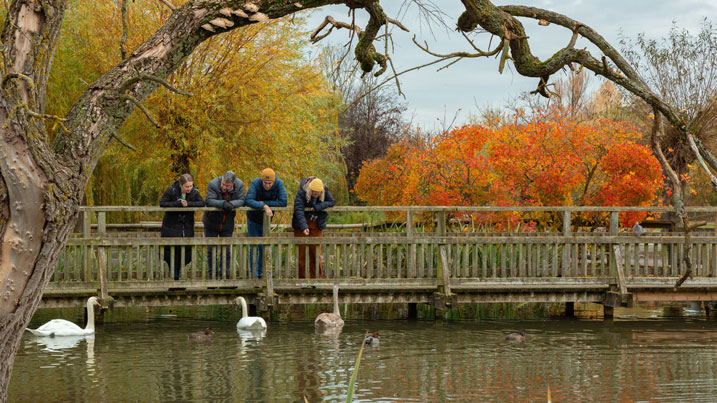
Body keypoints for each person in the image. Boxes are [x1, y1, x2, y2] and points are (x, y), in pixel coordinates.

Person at [159, 174, 204, 280]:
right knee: (172, 253)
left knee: (184, 253)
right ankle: (174, 277)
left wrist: (188, 204)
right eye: (187, 186)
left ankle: (179, 276)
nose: (189, 189)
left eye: (191, 186)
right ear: (181, 185)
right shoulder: (172, 190)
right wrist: (177, 204)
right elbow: (162, 203)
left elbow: (202, 203)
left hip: (186, 227)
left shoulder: (194, 192)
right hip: (171, 226)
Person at [245, 168, 287, 279]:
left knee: (264, 246)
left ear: (273, 182)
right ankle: (254, 275)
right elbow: (248, 200)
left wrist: (265, 203)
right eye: (265, 183)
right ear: (261, 180)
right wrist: (264, 206)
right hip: (253, 219)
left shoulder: (279, 183)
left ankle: (262, 274)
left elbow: (283, 202)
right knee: (253, 246)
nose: (267, 186)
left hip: (267, 220)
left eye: (269, 183)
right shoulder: (255, 183)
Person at [203, 171, 245, 279]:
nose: (224, 186)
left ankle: (224, 276)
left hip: (228, 223)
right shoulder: (213, 184)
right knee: (212, 250)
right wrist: (222, 204)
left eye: (227, 185)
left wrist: (231, 204)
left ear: (233, 184)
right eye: (223, 184)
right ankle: (213, 277)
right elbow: (209, 200)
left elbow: (241, 200)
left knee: (226, 251)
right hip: (211, 222)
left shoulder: (239, 185)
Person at [292, 177, 335, 279]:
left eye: (318, 194)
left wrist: (318, 207)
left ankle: (316, 279)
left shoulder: (325, 190)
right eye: (313, 193)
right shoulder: (301, 193)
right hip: (300, 225)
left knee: (315, 254)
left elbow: (332, 202)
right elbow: (298, 210)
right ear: (309, 190)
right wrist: (304, 227)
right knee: (301, 254)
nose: (315, 195)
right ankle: (301, 280)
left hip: (316, 224)